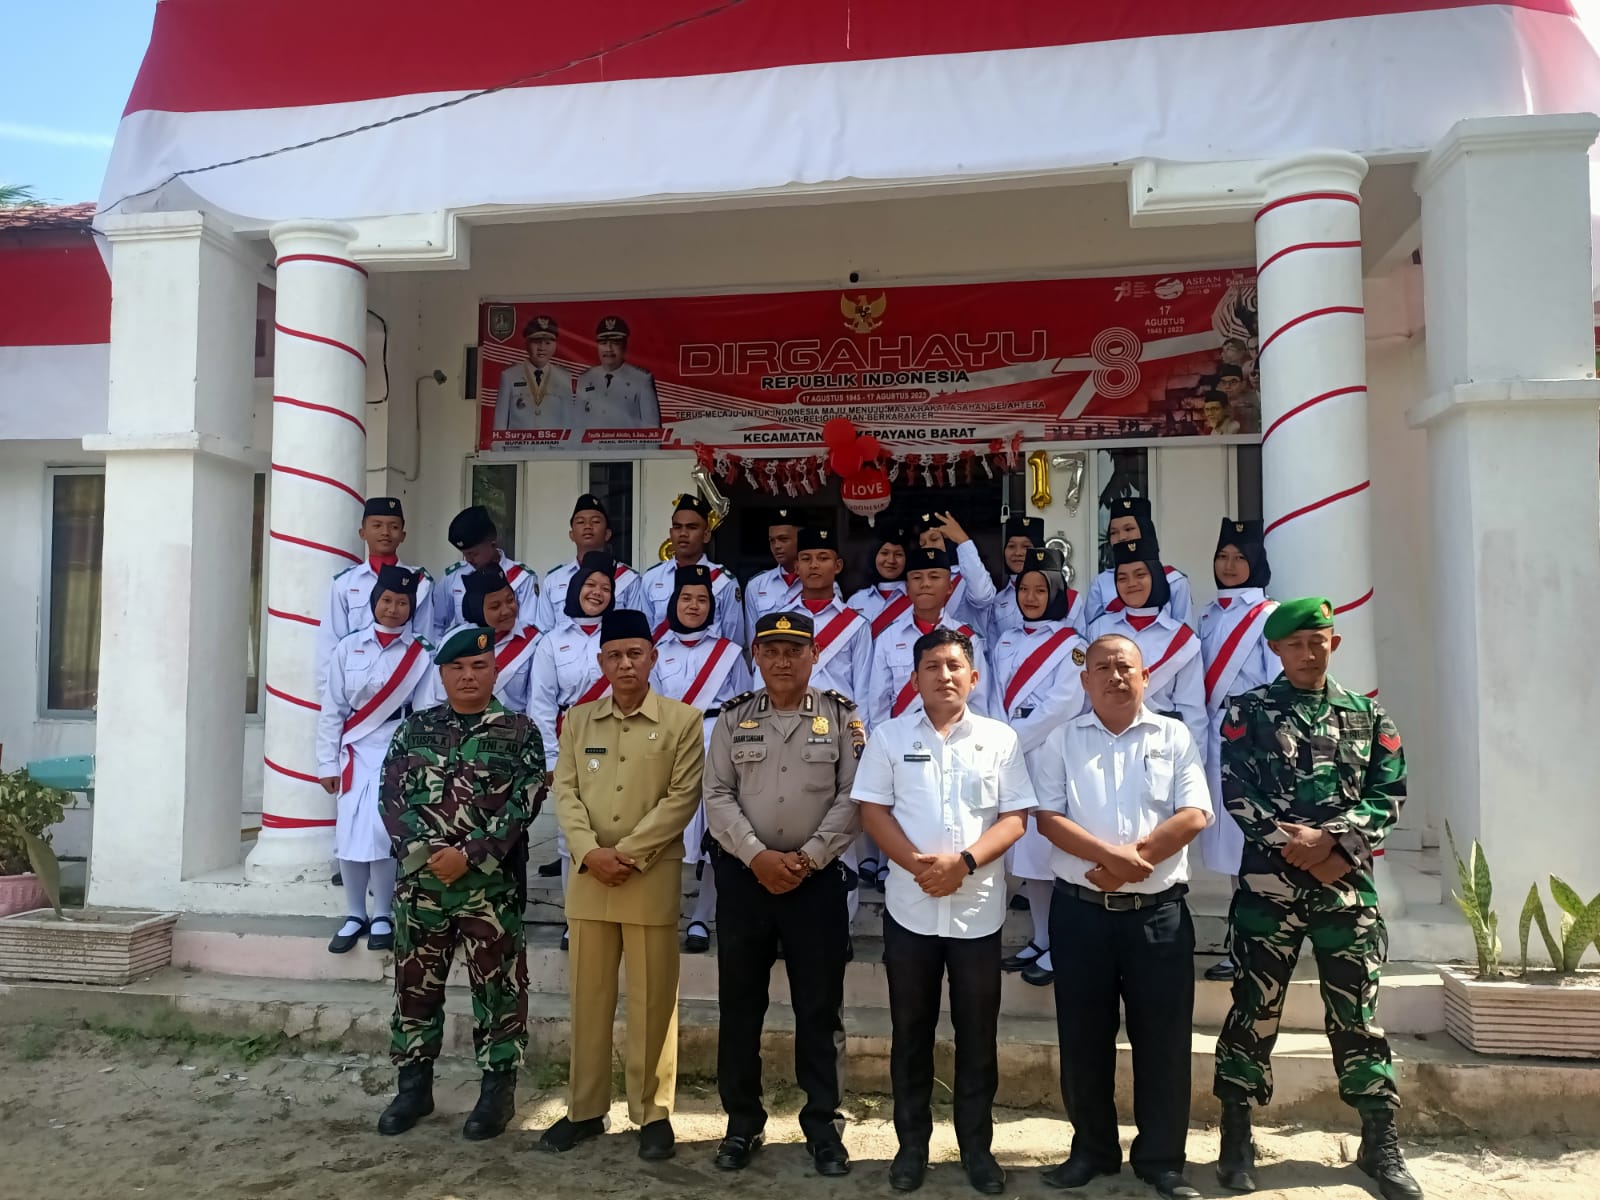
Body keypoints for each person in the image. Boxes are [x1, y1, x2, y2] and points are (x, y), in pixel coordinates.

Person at [1212, 598, 1421, 1200]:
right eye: (1296, 644)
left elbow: (1389, 792)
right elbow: (1237, 790)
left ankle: (1379, 1141)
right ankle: (1237, 1136)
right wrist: (1296, 847)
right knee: (1254, 1009)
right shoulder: (1249, 711)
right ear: (1276, 649)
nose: (1308, 653)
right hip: (1269, 889)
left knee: (1357, 1016)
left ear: (1334, 643)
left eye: (1318, 641)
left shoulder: (1368, 715)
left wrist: (1334, 844)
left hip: (1345, 888)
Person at [852, 628, 1035, 1194]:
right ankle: (911, 1148)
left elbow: (1015, 818)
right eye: (932, 666)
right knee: (911, 1032)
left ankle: (977, 1149)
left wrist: (965, 863)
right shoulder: (889, 737)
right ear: (915, 679)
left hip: (977, 912)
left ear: (973, 677)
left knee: (978, 1035)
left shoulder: (1000, 739)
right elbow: (873, 810)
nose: (944, 675)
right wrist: (917, 865)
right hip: (911, 909)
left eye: (954, 666)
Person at [1032, 634, 1213, 1200]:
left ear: (1146, 676)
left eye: (1125, 667)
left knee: (1164, 1041)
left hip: (1158, 916)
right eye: (1103, 667)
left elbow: (1194, 813)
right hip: (1081, 914)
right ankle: (1092, 1150)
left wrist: (1134, 863)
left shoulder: (1173, 736)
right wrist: (1110, 860)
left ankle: (1162, 1160)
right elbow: (1048, 818)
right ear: (1084, 680)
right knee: (1083, 1037)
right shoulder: (1062, 739)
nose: (1114, 676)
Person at [538, 609, 704, 1162]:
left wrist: (626, 855)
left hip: (648, 877)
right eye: (615, 655)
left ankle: (652, 1112)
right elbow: (565, 791)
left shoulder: (683, 721)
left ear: (653, 657)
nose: (625, 663)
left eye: (635, 653)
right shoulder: (579, 720)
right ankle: (584, 1108)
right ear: (601, 661)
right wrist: (590, 852)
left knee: (654, 999)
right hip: (590, 879)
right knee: (588, 997)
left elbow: (681, 799)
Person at [703, 611, 863, 1176]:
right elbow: (716, 794)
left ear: (813, 656)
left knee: (819, 1009)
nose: (782, 660)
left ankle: (824, 1127)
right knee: (740, 1007)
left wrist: (809, 857)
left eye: (794, 650)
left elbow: (853, 796)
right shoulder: (733, 717)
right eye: (770, 650)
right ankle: (741, 1123)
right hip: (746, 880)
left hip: (814, 884)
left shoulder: (841, 717)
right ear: (756, 656)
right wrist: (757, 856)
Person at [376, 625, 545, 1141]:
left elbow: (525, 801)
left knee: (497, 991)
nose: (468, 676)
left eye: (478, 666)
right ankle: (413, 1088)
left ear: (494, 670)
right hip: (422, 887)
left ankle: (497, 1092)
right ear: (443, 674)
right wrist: (429, 857)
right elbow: (390, 797)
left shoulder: (519, 732)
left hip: (488, 890)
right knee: (415, 989)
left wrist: (469, 855)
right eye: (457, 668)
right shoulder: (414, 729)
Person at [317, 565, 434, 954]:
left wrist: (419, 761)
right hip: (354, 747)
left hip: (397, 745)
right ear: (374, 601)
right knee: (350, 831)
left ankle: (382, 912)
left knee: (385, 830)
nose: (393, 609)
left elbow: (424, 712)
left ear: (411, 607)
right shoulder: (348, 647)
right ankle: (355, 913)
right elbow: (332, 709)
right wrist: (326, 763)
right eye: (386, 600)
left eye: (402, 602)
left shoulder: (422, 653)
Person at [990, 548, 1089, 987]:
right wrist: (1000, 737)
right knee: (1028, 857)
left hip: (1047, 754)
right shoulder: (1005, 640)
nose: (1030, 597)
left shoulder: (1073, 646)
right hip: (1010, 753)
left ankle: (1061, 945)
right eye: (1024, 589)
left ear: (1057, 593)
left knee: (1051, 854)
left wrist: (1011, 739)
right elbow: (993, 694)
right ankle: (1042, 938)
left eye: (1040, 590)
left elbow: (1062, 705)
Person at [650, 564, 754, 953]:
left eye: (702, 599)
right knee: (666, 829)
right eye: (686, 598)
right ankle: (663, 911)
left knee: (715, 831)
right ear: (673, 603)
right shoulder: (656, 652)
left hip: (717, 742)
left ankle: (701, 916)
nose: (694, 606)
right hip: (668, 745)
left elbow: (745, 708)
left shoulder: (728, 653)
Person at [1196, 520, 1278, 981]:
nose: (1229, 566)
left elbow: (1275, 682)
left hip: (1250, 739)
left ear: (1256, 562)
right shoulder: (1209, 615)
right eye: (1222, 556)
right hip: (1214, 734)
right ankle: (1239, 944)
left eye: (1240, 558)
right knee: (1230, 845)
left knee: (1253, 842)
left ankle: (1254, 948)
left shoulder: (1268, 615)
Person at [527, 552, 617, 941]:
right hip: (571, 743)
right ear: (576, 588)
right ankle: (574, 916)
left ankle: (611, 912)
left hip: (617, 738)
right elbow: (542, 704)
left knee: (614, 827)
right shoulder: (552, 642)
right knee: (572, 833)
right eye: (590, 585)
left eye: (605, 587)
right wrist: (549, 757)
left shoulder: (620, 636)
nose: (597, 593)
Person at [1089, 539, 1205, 753]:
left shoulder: (1182, 639)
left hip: (1161, 745)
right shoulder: (1098, 629)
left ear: (1156, 576)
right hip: (1104, 742)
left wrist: (1194, 763)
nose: (1131, 583)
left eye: (1140, 575)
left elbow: (1193, 711)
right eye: (1122, 578)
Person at [867, 545, 995, 728]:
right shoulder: (888, 637)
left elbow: (978, 700)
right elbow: (878, 702)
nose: (925, 584)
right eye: (917, 578)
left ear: (949, 587)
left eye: (934, 577)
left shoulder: (967, 638)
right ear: (907, 587)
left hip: (954, 736)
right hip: (903, 736)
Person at [314, 497, 432, 691]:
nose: (385, 532)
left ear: (403, 535)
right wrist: (330, 696)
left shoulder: (420, 583)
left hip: (402, 687)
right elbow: (330, 642)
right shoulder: (345, 582)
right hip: (354, 688)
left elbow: (425, 641)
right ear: (362, 533)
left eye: (394, 526)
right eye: (377, 525)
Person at [423, 564, 542, 714]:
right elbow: (434, 700)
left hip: (512, 725)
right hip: (458, 725)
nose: (506, 610)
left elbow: (538, 704)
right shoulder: (455, 638)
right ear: (478, 610)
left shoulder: (534, 640)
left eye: (510, 600)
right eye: (495, 607)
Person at [639, 492, 744, 645]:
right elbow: (644, 634)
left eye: (692, 527)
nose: (683, 533)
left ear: (706, 535)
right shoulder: (652, 578)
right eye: (677, 527)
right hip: (662, 659)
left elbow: (733, 640)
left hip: (709, 659)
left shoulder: (725, 581)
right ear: (671, 533)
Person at [534, 493, 643, 631]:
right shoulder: (554, 579)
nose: (588, 526)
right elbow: (544, 630)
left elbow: (635, 629)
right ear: (571, 535)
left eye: (595, 521)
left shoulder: (629, 579)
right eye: (580, 522)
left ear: (607, 534)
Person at [1083, 498, 1193, 627]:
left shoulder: (1175, 581)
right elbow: (1091, 630)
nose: (1121, 537)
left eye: (1129, 529)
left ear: (1145, 529)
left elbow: (1183, 631)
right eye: (1114, 532)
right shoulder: (1100, 582)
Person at [434, 505, 538, 638]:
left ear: (493, 544)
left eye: (473, 554)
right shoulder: (453, 577)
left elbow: (529, 629)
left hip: (510, 648)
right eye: (465, 554)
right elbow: (436, 625)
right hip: (467, 649)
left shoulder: (522, 578)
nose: (468, 559)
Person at [744, 510, 840, 629]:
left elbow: (838, 625)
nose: (777, 546)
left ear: (800, 539)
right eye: (772, 540)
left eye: (783, 539)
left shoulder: (824, 583)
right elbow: (752, 634)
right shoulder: (757, 585)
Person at [910, 511, 997, 632]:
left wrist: (963, 541)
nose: (928, 547)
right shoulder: (916, 580)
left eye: (934, 539)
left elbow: (982, 597)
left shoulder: (968, 576)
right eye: (922, 544)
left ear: (951, 541)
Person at [575, 315, 660, 429]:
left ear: (625, 346)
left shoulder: (642, 379)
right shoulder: (585, 379)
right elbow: (577, 426)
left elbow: (652, 429)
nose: (609, 349)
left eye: (615, 343)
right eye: (603, 343)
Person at [494, 315, 576, 432]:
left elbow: (569, 422)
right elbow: (500, 423)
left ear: (555, 345)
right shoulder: (509, 376)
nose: (542, 347)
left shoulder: (564, 376)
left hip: (553, 443)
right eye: (536, 342)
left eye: (548, 343)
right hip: (519, 443)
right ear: (526, 344)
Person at [845, 525, 911, 638]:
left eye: (898, 554)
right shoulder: (856, 600)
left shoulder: (917, 600)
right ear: (874, 556)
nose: (891, 560)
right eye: (884, 553)